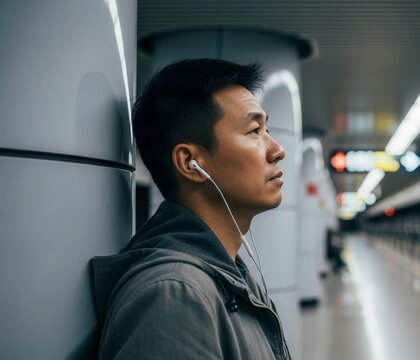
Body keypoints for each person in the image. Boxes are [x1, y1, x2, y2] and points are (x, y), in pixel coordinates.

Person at [90, 58, 290, 359]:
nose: (277, 150)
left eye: (267, 129)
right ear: (190, 163)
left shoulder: (227, 274)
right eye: (254, 131)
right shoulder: (173, 295)